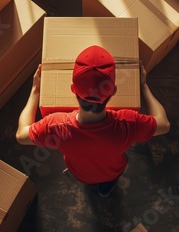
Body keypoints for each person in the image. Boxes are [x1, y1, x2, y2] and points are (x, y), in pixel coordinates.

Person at [16, 45, 170, 197]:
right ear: (114, 91)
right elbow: (164, 125)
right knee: (107, 183)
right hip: (112, 173)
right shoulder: (128, 123)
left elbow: (21, 136)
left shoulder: (55, 126)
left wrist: (35, 90)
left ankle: (91, 185)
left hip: (80, 174)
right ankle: (105, 190)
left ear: (72, 89)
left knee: (85, 177)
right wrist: (144, 86)